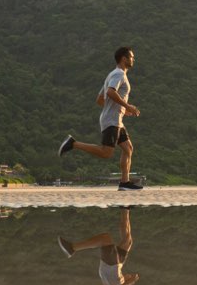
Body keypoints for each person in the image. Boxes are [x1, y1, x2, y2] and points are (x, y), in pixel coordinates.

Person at [59, 46, 141, 189]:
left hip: (116, 120)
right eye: (132, 57)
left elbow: (99, 99)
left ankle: (124, 182)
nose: (134, 59)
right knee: (106, 152)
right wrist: (127, 106)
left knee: (128, 148)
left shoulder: (112, 75)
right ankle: (73, 144)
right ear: (124, 58)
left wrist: (122, 109)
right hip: (112, 120)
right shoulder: (119, 75)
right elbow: (110, 92)